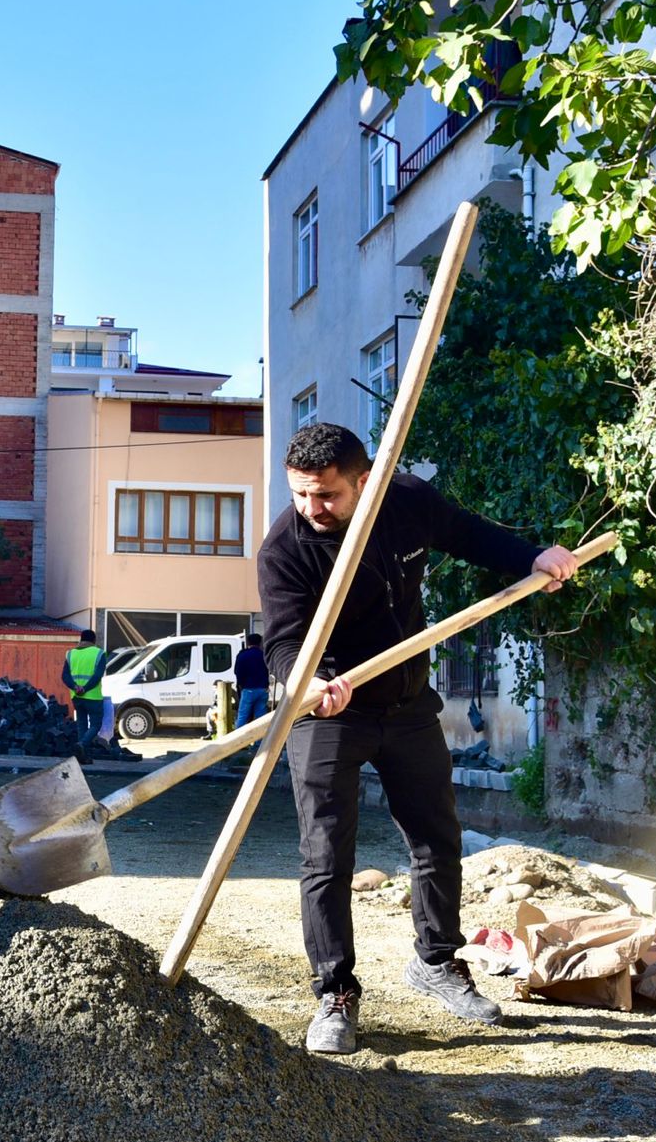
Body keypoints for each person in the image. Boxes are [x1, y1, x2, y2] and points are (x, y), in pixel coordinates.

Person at [260, 423, 576, 1055]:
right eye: (301, 495)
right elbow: (282, 642)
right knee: (326, 857)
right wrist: (307, 680)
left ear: (365, 480)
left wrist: (533, 557)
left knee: (436, 839)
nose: (311, 509)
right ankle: (335, 993)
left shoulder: (404, 502)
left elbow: (470, 535)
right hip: (328, 714)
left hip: (406, 707)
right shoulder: (285, 548)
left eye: (326, 496)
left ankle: (436, 961)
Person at [61, 629, 110, 760]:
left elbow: (65, 676)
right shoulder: (99, 654)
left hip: (76, 696)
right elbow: (97, 675)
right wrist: (85, 688)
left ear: (81, 640)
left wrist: (75, 687)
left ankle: (81, 756)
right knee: (95, 725)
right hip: (93, 696)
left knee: (81, 724)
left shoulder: (70, 654)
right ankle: (82, 744)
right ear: (94, 641)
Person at [233, 632, 272, 729]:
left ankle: (240, 742)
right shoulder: (264, 655)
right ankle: (259, 742)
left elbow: (237, 672)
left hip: (248, 689)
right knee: (261, 718)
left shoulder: (242, 655)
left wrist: (241, 685)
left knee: (242, 716)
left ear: (248, 643)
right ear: (260, 643)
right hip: (263, 689)